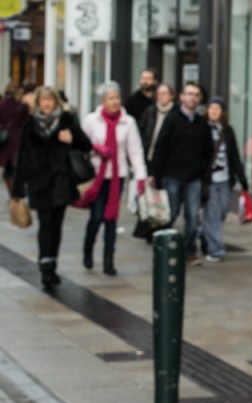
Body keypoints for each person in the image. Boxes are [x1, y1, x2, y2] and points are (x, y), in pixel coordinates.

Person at [11, 87, 91, 289]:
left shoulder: (67, 121)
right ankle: (45, 266)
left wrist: (71, 139)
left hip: (61, 182)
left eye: (50, 100)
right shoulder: (30, 125)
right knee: (45, 223)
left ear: (56, 102)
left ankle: (52, 262)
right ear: (38, 103)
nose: (47, 104)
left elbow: (86, 145)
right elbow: (22, 157)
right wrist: (18, 190)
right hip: (39, 182)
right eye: (43, 101)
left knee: (56, 224)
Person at [79, 81, 148, 275]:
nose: (115, 102)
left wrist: (140, 177)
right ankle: (88, 250)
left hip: (118, 176)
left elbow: (135, 151)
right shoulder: (91, 120)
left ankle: (109, 260)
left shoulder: (128, 122)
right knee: (97, 216)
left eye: (117, 97)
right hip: (96, 177)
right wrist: (95, 149)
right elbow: (81, 145)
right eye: (111, 98)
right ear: (103, 101)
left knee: (111, 219)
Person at [148, 82, 214, 264]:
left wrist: (201, 169)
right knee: (171, 214)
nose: (192, 98)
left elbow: (208, 151)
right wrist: (154, 173)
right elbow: (160, 147)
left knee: (193, 217)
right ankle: (165, 249)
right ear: (182, 97)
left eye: (196, 95)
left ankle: (188, 250)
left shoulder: (202, 124)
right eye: (189, 94)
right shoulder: (173, 119)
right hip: (172, 176)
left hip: (193, 177)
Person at [202, 96, 248, 262]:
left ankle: (206, 235)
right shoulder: (203, 129)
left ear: (222, 112)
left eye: (217, 108)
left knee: (221, 213)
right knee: (213, 214)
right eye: (211, 108)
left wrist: (242, 179)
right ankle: (216, 250)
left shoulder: (228, 131)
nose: (214, 111)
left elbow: (234, 156)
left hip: (226, 180)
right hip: (210, 181)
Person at [134, 82, 175, 242]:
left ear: (171, 96)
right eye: (159, 94)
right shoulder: (150, 112)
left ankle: (161, 228)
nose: (161, 97)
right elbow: (142, 131)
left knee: (163, 197)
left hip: (167, 163)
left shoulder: (175, 113)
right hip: (149, 158)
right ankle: (149, 228)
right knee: (149, 195)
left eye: (165, 93)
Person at [0, 82, 30, 194]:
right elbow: (27, 122)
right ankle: (16, 191)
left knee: (8, 168)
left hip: (5, 140)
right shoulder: (22, 107)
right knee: (17, 166)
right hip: (19, 138)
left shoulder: (1, 105)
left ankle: (11, 190)